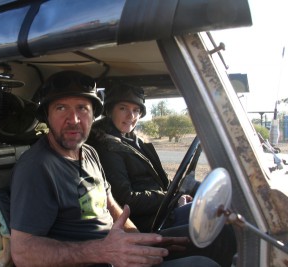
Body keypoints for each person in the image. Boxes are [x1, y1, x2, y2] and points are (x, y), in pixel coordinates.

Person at [10, 70, 220, 267]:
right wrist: (103, 251)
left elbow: (111, 205)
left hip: (116, 254)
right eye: (61, 108)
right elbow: (22, 252)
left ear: (93, 115)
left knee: (219, 234)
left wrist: (140, 242)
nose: (73, 120)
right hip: (98, 258)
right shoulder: (36, 167)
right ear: (47, 116)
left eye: (82, 108)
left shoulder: (90, 153)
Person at [87, 83, 236, 266]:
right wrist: (171, 197)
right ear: (110, 111)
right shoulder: (107, 148)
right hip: (148, 224)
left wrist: (180, 194)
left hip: (164, 212)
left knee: (226, 212)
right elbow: (126, 199)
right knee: (223, 233)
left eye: (136, 110)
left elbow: (161, 182)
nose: (131, 116)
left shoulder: (134, 141)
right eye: (123, 108)